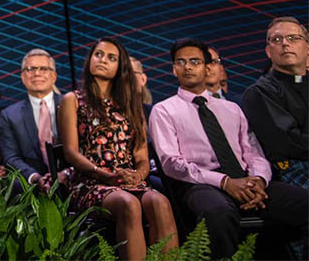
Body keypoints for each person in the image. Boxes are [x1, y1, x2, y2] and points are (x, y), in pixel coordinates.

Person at [149, 37, 308, 258]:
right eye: (180, 62)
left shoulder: (231, 109)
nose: (187, 67)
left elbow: (254, 153)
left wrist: (258, 181)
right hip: (201, 183)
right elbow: (171, 163)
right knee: (217, 213)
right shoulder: (164, 110)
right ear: (174, 69)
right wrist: (224, 182)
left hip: (246, 179)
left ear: (207, 68)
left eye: (194, 62)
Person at [59, 37, 177, 260]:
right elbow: (70, 153)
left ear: (119, 67)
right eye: (98, 55)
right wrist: (102, 174)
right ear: (90, 60)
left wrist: (137, 175)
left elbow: (141, 156)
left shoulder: (131, 103)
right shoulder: (73, 100)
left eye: (111, 58)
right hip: (91, 181)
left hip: (127, 179)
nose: (103, 60)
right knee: (128, 204)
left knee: (160, 203)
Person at [242, 17, 308, 189]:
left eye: (293, 38)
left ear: (307, 48)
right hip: (291, 167)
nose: (285, 43)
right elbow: (288, 143)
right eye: (277, 40)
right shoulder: (259, 93)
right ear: (268, 51)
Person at [0, 49, 63, 190]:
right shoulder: (9, 115)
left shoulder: (72, 105)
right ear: (22, 77)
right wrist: (35, 178)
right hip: (31, 187)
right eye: (30, 69)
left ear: (54, 76)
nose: (37, 73)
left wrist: (65, 174)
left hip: (72, 179)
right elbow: (11, 158)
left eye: (44, 69)